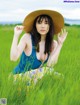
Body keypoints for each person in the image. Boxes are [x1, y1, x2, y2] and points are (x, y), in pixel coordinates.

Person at [10, 9, 68, 81]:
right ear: (35, 25)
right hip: (19, 76)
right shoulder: (27, 38)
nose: (42, 26)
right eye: (39, 23)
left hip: (35, 78)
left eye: (46, 23)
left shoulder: (53, 44)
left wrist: (60, 44)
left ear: (50, 26)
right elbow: (13, 58)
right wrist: (16, 36)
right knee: (46, 71)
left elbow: (50, 64)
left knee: (59, 76)